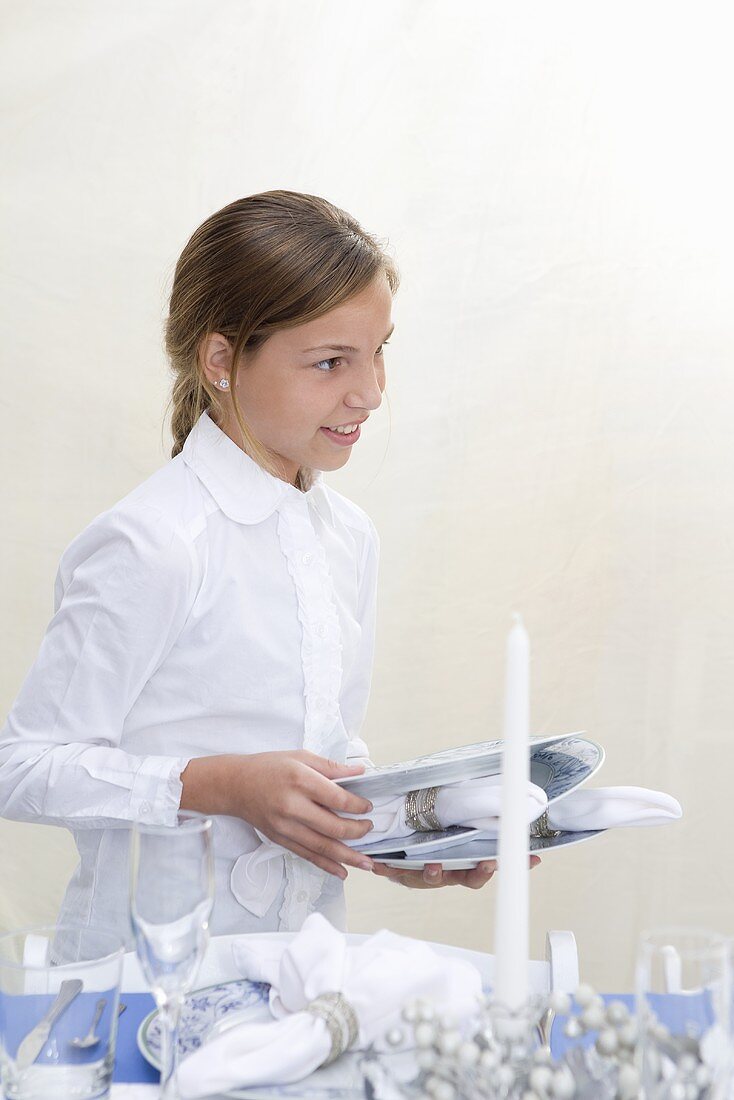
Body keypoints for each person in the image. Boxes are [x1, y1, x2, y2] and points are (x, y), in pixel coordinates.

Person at [0, 190, 499, 948]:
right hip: (144, 987)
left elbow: (329, 750)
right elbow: (24, 767)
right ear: (222, 360)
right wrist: (222, 785)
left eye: (379, 351)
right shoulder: (155, 543)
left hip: (299, 977)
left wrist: (400, 841)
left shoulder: (347, 537)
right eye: (331, 361)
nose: (370, 392)